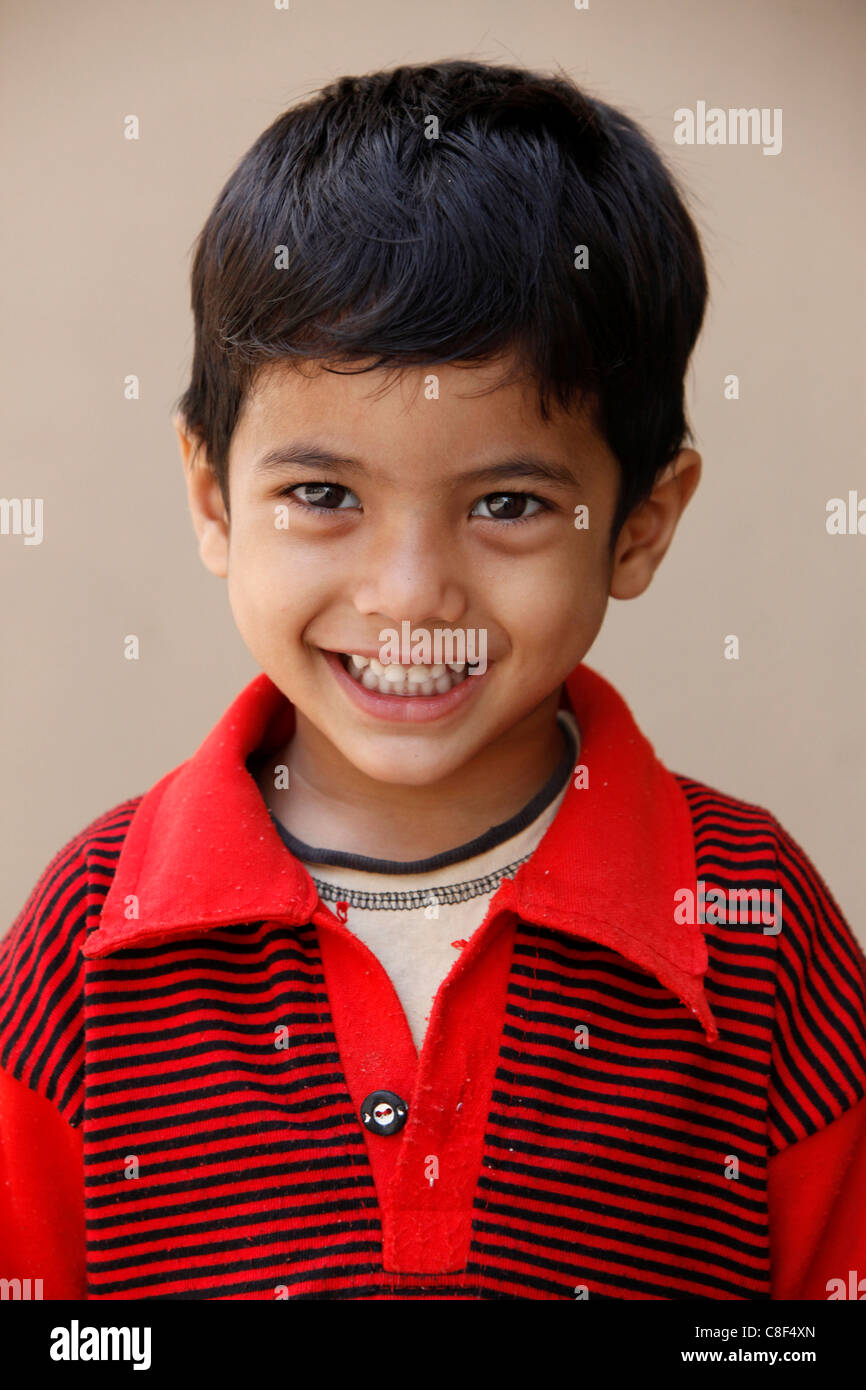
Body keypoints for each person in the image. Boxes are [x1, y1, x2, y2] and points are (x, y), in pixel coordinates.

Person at [2, 59, 864, 1302]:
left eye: (506, 503)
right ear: (211, 499)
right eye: (322, 496)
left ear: (637, 524)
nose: (409, 594)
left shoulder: (755, 927)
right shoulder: (88, 943)